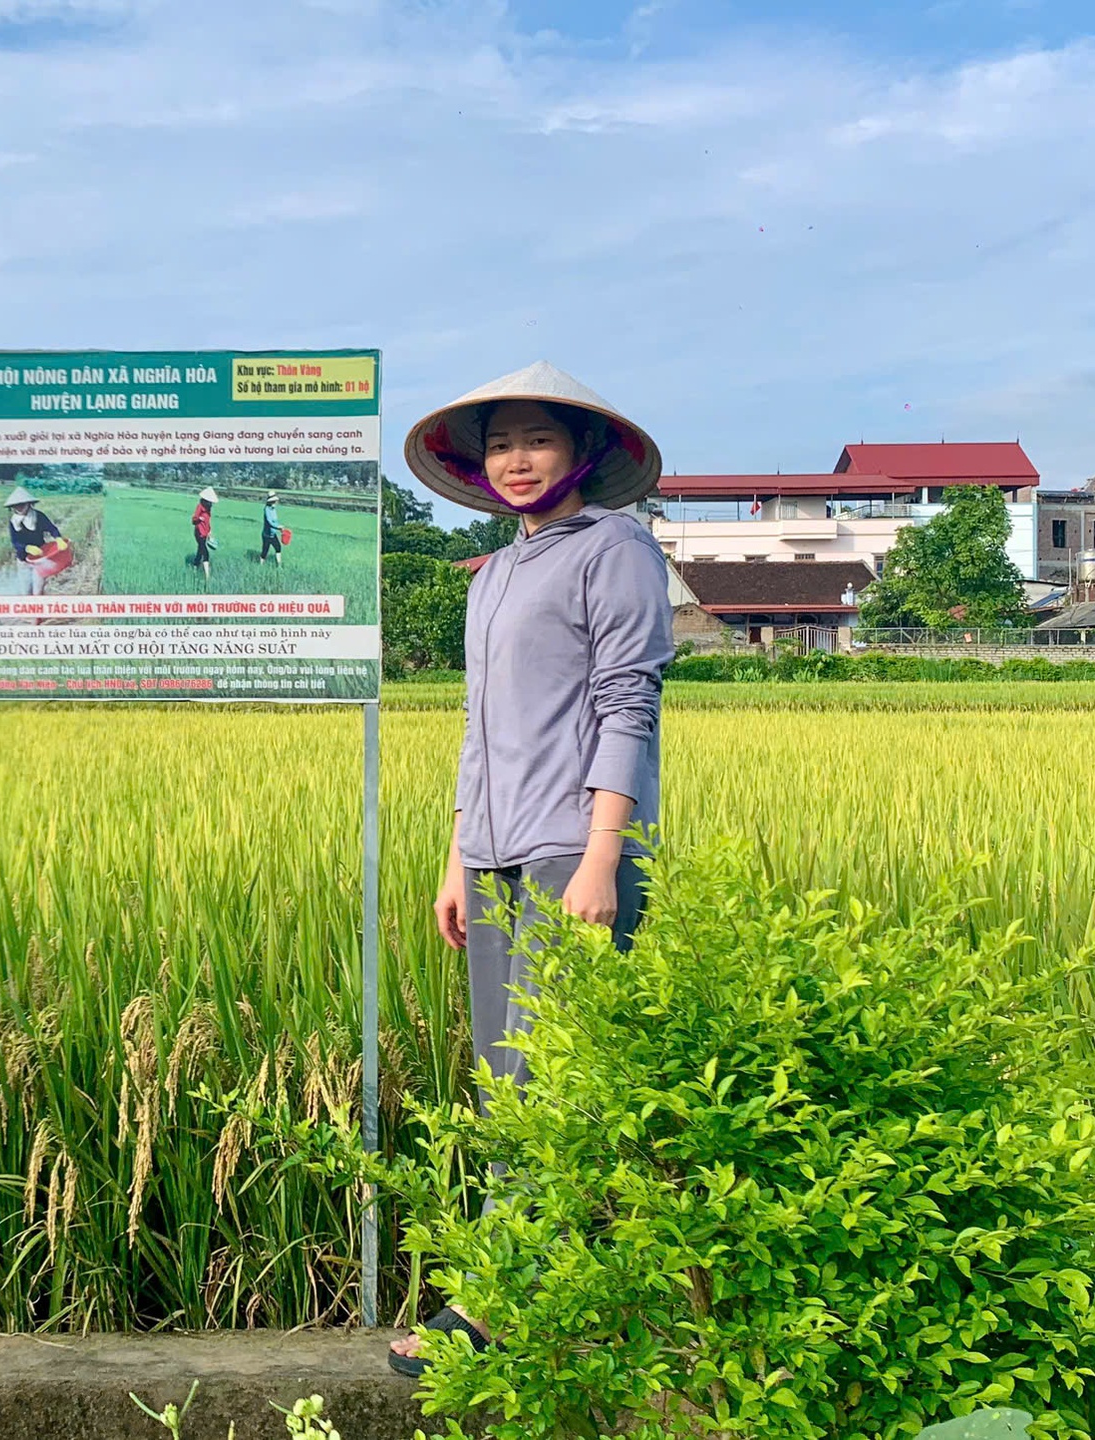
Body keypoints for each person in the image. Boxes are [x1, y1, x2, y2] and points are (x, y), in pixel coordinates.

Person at [387, 363, 673, 1376]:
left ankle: (504, 1301)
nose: (515, 459)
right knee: (506, 1082)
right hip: (498, 852)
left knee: (559, 1078)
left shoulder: (616, 551)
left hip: (570, 848)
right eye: (500, 442)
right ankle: (526, 1291)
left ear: (581, 453)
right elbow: (478, 730)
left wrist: (601, 856)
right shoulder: (497, 573)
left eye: (536, 440)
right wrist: (457, 858)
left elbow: (626, 705)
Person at [4, 484, 72, 594]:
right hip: (23, 560)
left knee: (38, 592)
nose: (19, 508)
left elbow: (52, 529)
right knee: (26, 592)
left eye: (21, 504)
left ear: (29, 504)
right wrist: (26, 548)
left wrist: (58, 538)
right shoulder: (13, 522)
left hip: (40, 558)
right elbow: (15, 542)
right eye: (15, 506)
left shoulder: (38, 516)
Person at [190, 486, 218, 581]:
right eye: (209, 502)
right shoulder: (200, 507)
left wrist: (210, 531)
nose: (211, 504)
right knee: (205, 553)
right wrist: (199, 519)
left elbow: (207, 522)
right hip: (199, 533)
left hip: (205, 533)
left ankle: (194, 567)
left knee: (199, 551)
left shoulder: (208, 509)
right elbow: (193, 520)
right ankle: (207, 576)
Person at [258, 491, 285, 564]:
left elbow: (275, 521)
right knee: (265, 551)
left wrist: (280, 528)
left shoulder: (273, 510)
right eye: (274, 501)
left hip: (273, 534)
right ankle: (260, 565)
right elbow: (270, 522)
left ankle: (279, 564)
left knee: (278, 548)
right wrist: (278, 527)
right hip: (267, 535)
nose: (276, 503)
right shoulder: (267, 509)